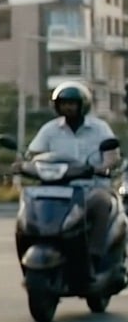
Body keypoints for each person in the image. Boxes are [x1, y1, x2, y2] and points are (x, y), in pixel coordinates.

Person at [24, 81, 120, 265]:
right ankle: (36, 241)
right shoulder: (50, 129)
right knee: (31, 202)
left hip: (91, 187)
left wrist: (101, 168)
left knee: (102, 202)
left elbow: (112, 156)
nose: (67, 107)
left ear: (83, 105)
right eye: (63, 104)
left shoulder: (100, 128)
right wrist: (24, 166)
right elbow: (34, 155)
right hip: (56, 188)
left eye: (72, 103)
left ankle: (95, 254)